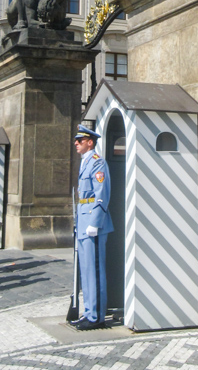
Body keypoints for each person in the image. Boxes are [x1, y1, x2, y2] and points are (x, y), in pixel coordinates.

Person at [71, 125, 113, 330]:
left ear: (90, 142)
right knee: (86, 270)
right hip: (83, 221)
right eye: (76, 140)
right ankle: (89, 311)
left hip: (93, 224)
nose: (76, 143)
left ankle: (97, 316)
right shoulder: (85, 163)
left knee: (95, 270)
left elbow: (101, 195)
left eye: (80, 140)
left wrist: (95, 223)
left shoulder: (98, 163)